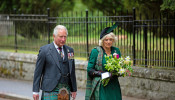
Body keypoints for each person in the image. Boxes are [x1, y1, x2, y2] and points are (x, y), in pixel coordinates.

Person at [32, 25, 77, 100]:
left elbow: (72, 71)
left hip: (65, 89)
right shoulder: (44, 50)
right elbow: (38, 72)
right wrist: (35, 91)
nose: (63, 39)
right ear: (54, 36)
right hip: (50, 89)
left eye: (65, 37)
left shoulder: (70, 51)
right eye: (61, 36)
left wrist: (74, 89)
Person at [85, 24, 122, 100]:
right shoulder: (96, 52)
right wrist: (103, 74)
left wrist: (121, 71)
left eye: (110, 39)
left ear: (113, 40)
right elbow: (90, 70)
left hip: (114, 85)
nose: (108, 42)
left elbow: (120, 66)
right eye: (106, 40)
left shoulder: (116, 51)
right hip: (102, 86)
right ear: (102, 41)